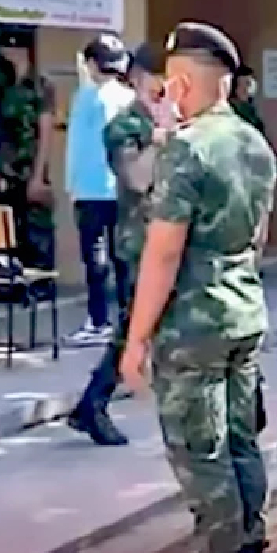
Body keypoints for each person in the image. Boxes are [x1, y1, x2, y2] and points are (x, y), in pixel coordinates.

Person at [121, 23, 277, 553]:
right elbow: (257, 238)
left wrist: (137, 337)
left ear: (181, 82)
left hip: (194, 317)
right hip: (242, 307)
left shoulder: (187, 148)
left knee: (199, 449)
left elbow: (163, 252)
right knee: (240, 442)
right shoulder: (253, 144)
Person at [69, 42, 171, 447]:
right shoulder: (127, 125)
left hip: (173, 243)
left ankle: (91, 405)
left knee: (145, 329)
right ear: (141, 78)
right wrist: (164, 136)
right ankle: (93, 403)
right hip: (142, 245)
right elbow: (137, 178)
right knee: (135, 328)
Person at [63, 35, 135, 347]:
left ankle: (97, 320)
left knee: (94, 258)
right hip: (123, 187)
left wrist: (72, 185)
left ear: (92, 64)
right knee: (122, 259)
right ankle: (127, 318)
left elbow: (78, 147)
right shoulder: (128, 97)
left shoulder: (85, 98)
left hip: (91, 188)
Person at [0, 30, 56, 277]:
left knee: (35, 230)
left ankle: (38, 283)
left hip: (29, 166)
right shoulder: (3, 86)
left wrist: (38, 175)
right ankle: (11, 281)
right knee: (9, 230)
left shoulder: (40, 86)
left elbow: (45, 132)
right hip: (7, 169)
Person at [229, 64, 265, 134]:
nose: (246, 89)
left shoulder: (250, 108)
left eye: (248, 84)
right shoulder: (233, 109)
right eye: (241, 85)